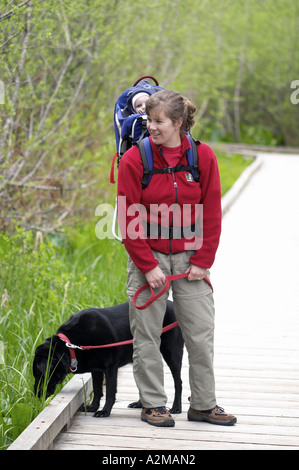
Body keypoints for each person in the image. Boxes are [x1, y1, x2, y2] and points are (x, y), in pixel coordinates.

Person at [117, 89, 236, 427]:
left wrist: (203, 259)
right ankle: (153, 404)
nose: (150, 127)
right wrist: (148, 265)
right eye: (148, 120)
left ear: (179, 123)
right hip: (148, 257)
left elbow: (212, 213)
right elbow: (128, 219)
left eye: (158, 122)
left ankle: (203, 404)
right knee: (147, 336)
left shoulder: (203, 157)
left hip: (191, 260)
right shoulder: (135, 160)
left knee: (200, 334)